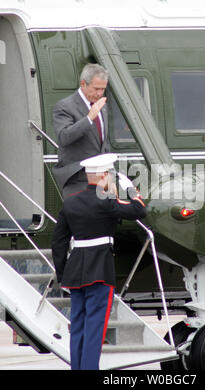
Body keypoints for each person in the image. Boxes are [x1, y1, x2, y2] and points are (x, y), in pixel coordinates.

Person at [51, 153, 147, 370]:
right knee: (95, 328)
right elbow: (140, 210)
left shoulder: (71, 202)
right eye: (110, 175)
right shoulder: (106, 201)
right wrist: (131, 189)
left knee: (78, 328)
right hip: (100, 271)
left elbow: (58, 242)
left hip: (75, 273)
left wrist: (63, 273)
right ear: (104, 175)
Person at [52, 63, 110, 199]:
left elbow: (103, 142)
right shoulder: (64, 106)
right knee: (81, 220)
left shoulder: (102, 106)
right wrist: (89, 118)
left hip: (102, 180)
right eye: (96, 88)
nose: (99, 93)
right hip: (78, 180)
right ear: (83, 84)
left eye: (103, 89)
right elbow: (64, 137)